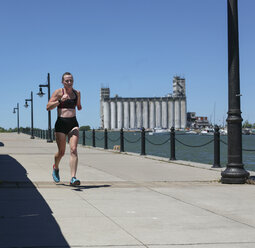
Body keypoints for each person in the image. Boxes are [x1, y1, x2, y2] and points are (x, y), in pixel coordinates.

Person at [47, 72, 82, 186]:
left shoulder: (77, 93)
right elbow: (48, 107)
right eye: (67, 81)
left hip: (73, 123)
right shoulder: (58, 92)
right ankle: (56, 167)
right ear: (63, 82)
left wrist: (78, 105)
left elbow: (79, 106)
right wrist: (60, 100)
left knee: (73, 149)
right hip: (61, 123)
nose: (69, 82)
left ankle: (73, 178)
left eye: (71, 80)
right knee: (61, 152)